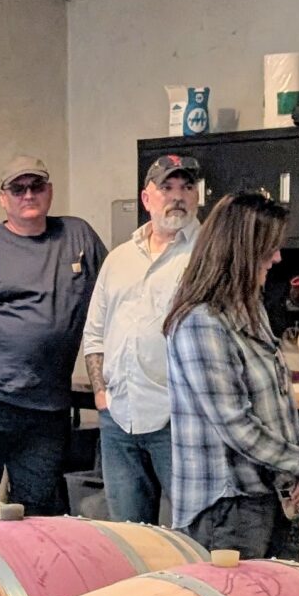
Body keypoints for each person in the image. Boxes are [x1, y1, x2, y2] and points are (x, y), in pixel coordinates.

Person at [0, 156, 106, 516]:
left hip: (48, 406)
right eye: (18, 188)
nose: (28, 194)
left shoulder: (78, 236)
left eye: (36, 186)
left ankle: (29, 575)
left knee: (39, 511)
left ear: (49, 191)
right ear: (3, 198)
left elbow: (110, 299)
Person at [164, 190, 299, 560]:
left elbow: (281, 399)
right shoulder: (201, 322)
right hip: (226, 510)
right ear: (241, 250)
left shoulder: (250, 310)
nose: (277, 258)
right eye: (269, 248)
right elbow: (235, 425)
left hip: (265, 497)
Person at [79, 154, 202, 524]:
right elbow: (95, 332)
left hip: (177, 419)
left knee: (192, 532)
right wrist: (101, 393)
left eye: (187, 187)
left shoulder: (207, 255)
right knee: (129, 535)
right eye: (167, 187)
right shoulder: (118, 259)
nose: (177, 196)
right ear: (146, 198)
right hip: (119, 418)